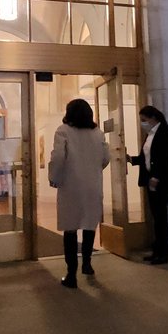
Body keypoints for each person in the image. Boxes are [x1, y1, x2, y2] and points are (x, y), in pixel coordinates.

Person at [48, 98, 110, 289]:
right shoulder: (98, 133)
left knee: (70, 228)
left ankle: (71, 274)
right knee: (90, 225)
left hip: (71, 185)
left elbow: (58, 156)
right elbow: (106, 158)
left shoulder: (63, 131)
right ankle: (87, 265)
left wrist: (54, 177)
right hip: (93, 185)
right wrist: (93, 171)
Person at [128, 105, 168, 264]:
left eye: (144, 120)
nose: (142, 123)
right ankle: (157, 250)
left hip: (162, 180)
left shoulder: (165, 133)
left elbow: (165, 157)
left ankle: (164, 253)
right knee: (156, 217)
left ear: (153, 118)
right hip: (151, 179)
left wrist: (156, 176)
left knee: (160, 217)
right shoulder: (150, 134)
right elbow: (146, 157)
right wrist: (131, 159)